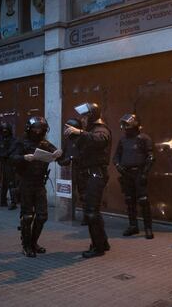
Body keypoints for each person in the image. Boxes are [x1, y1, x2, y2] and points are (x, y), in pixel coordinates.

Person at [10, 116, 62, 257]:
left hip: (39, 183)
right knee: (27, 216)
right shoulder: (21, 142)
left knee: (42, 216)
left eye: (41, 129)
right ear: (30, 128)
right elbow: (11, 158)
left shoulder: (45, 143)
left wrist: (58, 154)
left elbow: (60, 158)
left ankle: (33, 242)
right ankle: (26, 246)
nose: (38, 131)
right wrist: (23, 158)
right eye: (36, 128)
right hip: (25, 182)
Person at [64, 102, 111, 258]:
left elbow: (99, 140)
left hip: (96, 174)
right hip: (89, 174)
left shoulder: (101, 129)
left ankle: (98, 248)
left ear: (91, 116)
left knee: (91, 213)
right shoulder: (90, 130)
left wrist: (79, 132)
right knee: (93, 212)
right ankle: (102, 242)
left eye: (84, 116)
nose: (82, 119)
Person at [113, 114, 155, 239]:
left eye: (127, 125)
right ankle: (133, 226)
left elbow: (151, 157)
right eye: (124, 125)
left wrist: (145, 173)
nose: (125, 128)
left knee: (143, 200)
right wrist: (118, 165)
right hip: (126, 173)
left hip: (139, 172)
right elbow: (116, 156)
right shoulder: (123, 140)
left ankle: (148, 227)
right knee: (129, 200)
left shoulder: (144, 138)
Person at [58, 118, 87, 225]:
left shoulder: (82, 139)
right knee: (69, 194)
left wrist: (71, 158)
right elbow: (63, 154)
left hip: (80, 170)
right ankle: (70, 213)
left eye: (68, 127)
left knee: (83, 194)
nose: (66, 129)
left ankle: (86, 216)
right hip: (69, 170)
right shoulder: (68, 140)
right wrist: (60, 159)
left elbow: (83, 155)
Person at [0, 122, 19, 210]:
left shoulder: (13, 140)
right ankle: (3, 200)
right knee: (3, 183)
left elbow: (10, 152)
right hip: (2, 164)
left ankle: (13, 202)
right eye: (3, 130)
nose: (4, 132)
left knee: (11, 183)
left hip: (10, 164)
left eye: (6, 130)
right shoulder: (0, 141)